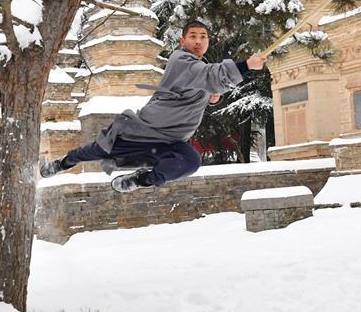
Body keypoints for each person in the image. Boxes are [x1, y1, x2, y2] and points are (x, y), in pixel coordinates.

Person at [39, 20, 267, 192]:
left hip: (170, 141)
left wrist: (212, 97)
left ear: (208, 41)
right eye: (193, 36)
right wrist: (247, 65)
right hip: (141, 133)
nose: (198, 41)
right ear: (182, 42)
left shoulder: (200, 68)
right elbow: (210, 76)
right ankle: (62, 163)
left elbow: (206, 84)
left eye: (203, 37)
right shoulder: (182, 61)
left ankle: (141, 179)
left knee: (190, 161)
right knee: (93, 150)